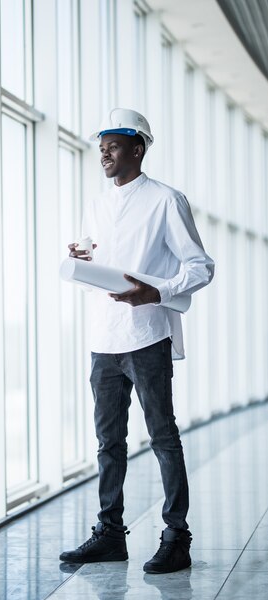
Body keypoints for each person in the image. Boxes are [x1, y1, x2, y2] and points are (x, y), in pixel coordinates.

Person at [59, 108, 215, 574]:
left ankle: (176, 536)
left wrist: (158, 292)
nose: (103, 151)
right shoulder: (97, 202)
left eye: (113, 143)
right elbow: (104, 256)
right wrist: (83, 255)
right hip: (103, 337)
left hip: (147, 335)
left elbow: (200, 266)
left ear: (138, 148)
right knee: (109, 442)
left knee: (163, 437)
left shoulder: (167, 200)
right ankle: (110, 535)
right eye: (101, 144)